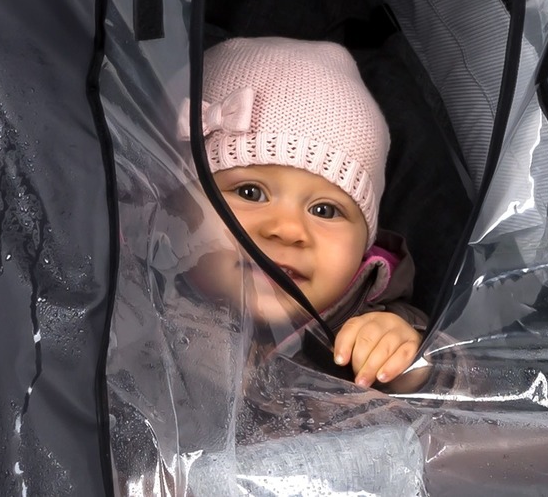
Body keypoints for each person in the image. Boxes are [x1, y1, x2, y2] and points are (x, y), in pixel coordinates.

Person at [179, 36, 427, 387]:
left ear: (363, 248)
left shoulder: (372, 320)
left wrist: (412, 362)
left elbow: (476, 391)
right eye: (251, 192)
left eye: (325, 210)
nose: (287, 229)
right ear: (174, 205)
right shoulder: (124, 304)